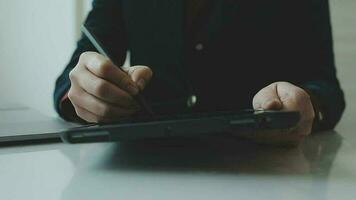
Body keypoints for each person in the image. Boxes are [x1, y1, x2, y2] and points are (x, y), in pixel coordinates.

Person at [54, 0, 345, 145]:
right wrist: (84, 92)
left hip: (264, 168)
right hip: (145, 169)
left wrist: (305, 105)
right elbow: (74, 73)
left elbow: (325, 85)